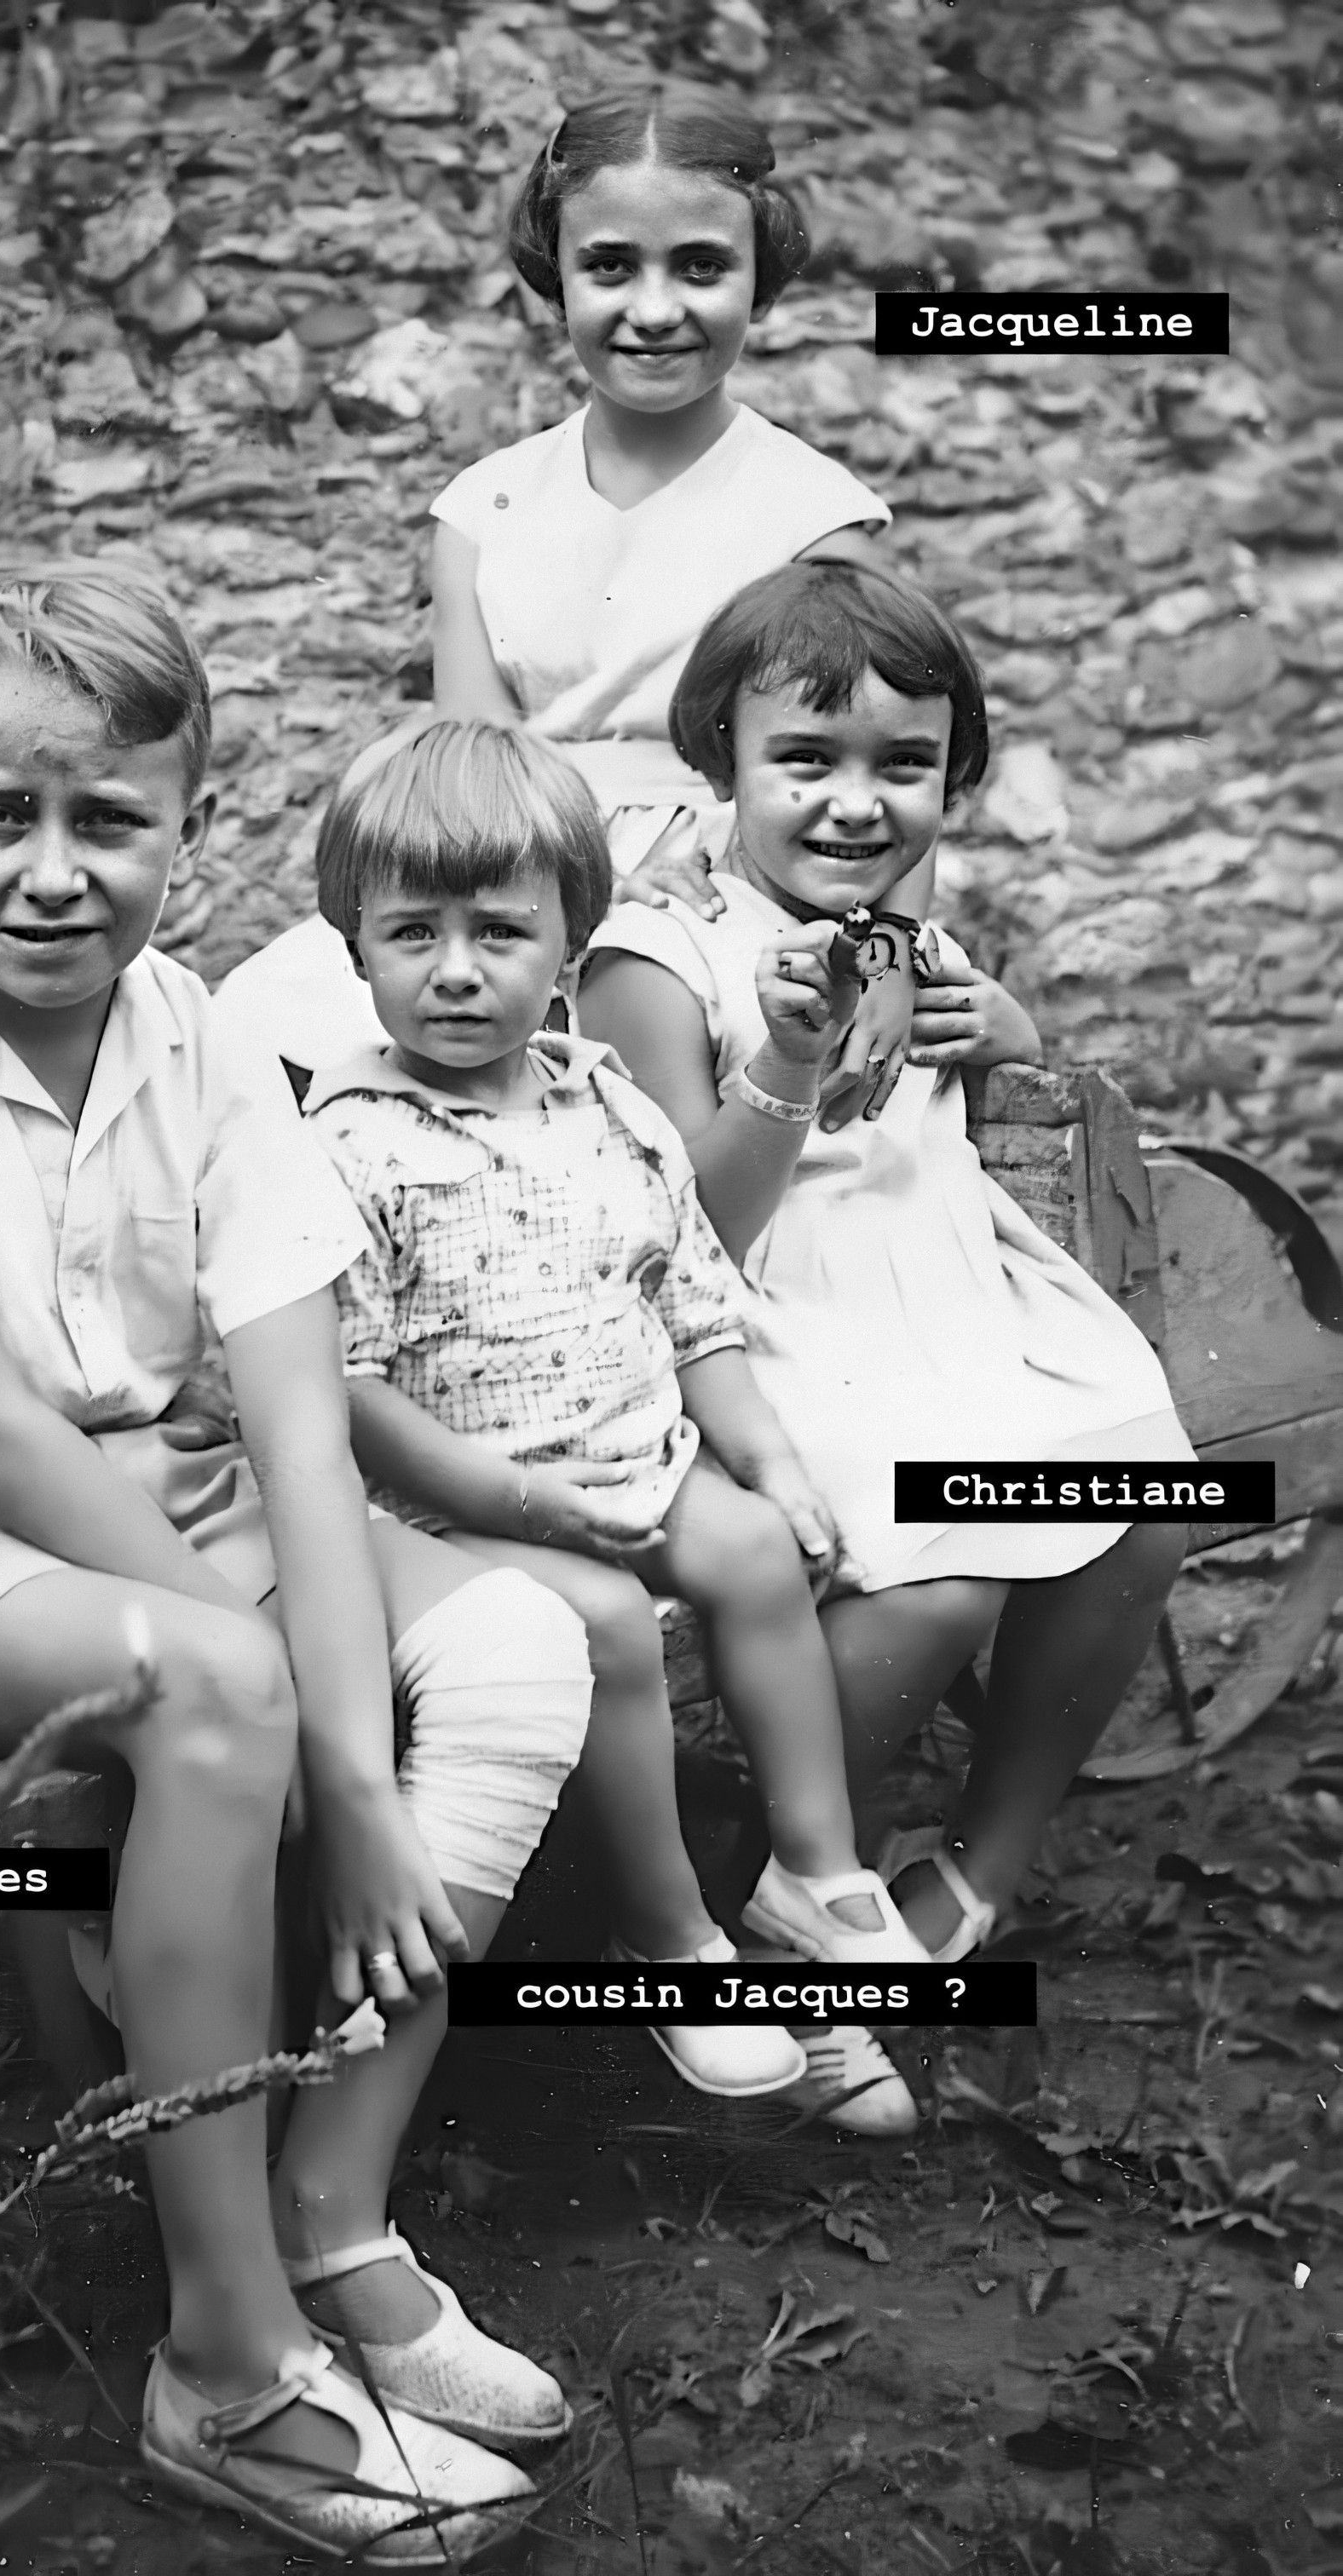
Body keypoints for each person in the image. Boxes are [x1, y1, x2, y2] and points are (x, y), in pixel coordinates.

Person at [0, 560, 606, 2562]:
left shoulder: (195, 1037)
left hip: (159, 1491)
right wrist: (314, 1744)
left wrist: (358, 1774)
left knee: (520, 1642)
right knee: (216, 1697)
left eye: (110, 820)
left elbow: (294, 1421)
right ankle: (225, 2361)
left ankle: (332, 2216)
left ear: (189, 834)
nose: (54, 872)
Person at [303, 717, 931, 2138]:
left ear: (570, 946)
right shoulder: (350, 1141)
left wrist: (766, 1457)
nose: (455, 969)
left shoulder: (610, 1107)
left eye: (500, 931)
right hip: (457, 1507)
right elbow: (348, 1385)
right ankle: (671, 1934)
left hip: (636, 1455)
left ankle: (815, 1872)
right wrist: (515, 1503)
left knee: (758, 1548)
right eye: (412, 932)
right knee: (603, 1626)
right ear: (354, 946)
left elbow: (693, 1305)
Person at [579, 559, 1195, 1964]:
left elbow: (971, 1101)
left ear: (948, 774)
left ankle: (983, 1862)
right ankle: (784, 1877)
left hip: (951, 1292)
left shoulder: (903, 935)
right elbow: (684, 1235)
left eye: (902, 765)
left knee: (1144, 1506)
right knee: (937, 1581)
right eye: (806, 758)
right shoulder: (658, 954)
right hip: (769, 1325)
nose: (856, 803)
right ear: (721, 756)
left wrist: (1007, 1035)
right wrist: (787, 1066)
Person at [219, 83, 921, 1126]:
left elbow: (891, 763)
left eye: (701, 267)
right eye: (610, 267)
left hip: (730, 882)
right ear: (558, 274)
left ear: (760, 276)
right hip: (520, 872)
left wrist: (893, 953)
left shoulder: (812, 516)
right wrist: (570, 886)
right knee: (270, 1008)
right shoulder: (485, 509)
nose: (655, 309)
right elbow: (473, 769)